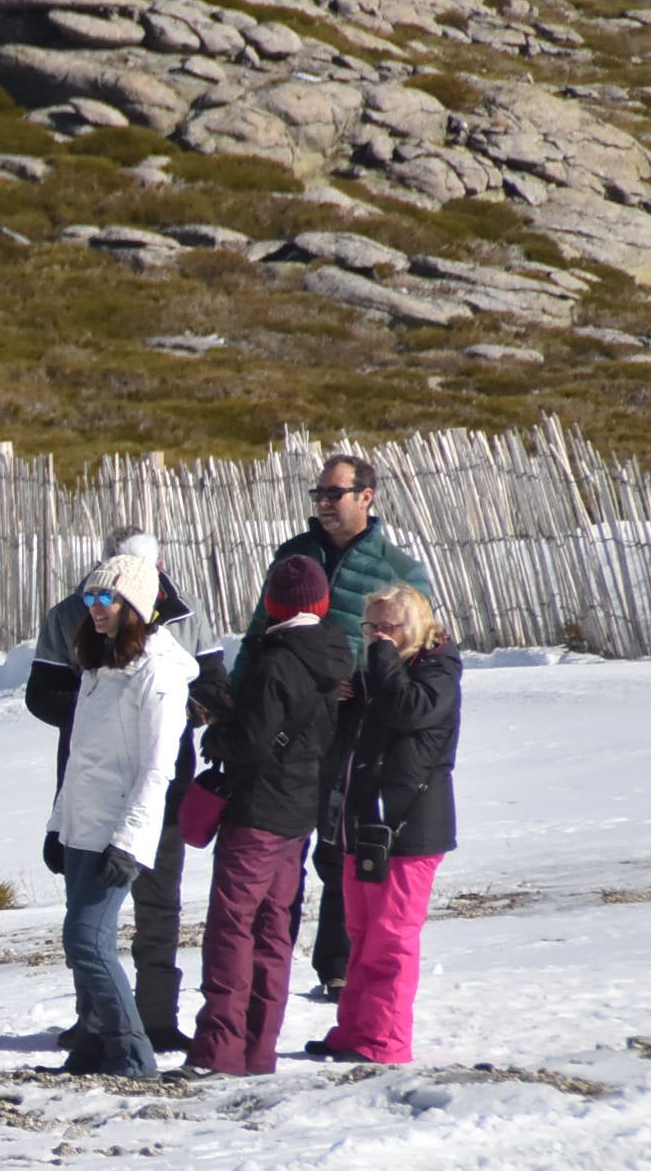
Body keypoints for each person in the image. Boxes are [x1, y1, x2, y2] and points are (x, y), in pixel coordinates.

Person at [252, 455, 435, 1003]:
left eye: (336, 494)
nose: (325, 504)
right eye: (320, 495)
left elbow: (416, 650)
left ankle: (336, 964)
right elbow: (260, 631)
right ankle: (267, 962)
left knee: (340, 844)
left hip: (355, 723)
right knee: (278, 841)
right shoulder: (294, 557)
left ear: (367, 497)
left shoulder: (398, 569)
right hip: (289, 717)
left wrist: (363, 682)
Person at [28, 527, 218, 1050]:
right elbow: (41, 693)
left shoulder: (183, 620)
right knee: (84, 924)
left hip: (158, 797)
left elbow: (214, 687)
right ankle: (94, 1023)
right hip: (87, 789)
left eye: (109, 595)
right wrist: (99, 717)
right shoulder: (73, 620)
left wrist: (174, 715)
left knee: (157, 908)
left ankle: (153, 1020)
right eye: (94, 592)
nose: (97, 604)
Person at [178, 554, 352, 1079]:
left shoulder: (276, 659)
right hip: (301, 811)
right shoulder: (335, 652)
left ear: (274, 604)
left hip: (258, 810)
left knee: (233, 930)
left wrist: (218, 735)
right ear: (320, 603)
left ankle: (219, 1051)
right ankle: (258, 1051)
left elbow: (253, 742)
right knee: (276, 932)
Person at [313, 585, 459, 1065]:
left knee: (392, 939)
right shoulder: (381, 671)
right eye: (369, 627)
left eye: (386, 627)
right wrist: (343, 699)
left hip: (411, 825)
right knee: (361, 934)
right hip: (367, 821)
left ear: (412, 628)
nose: (376, 637)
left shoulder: (438, 670)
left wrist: (380, 659)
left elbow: (408, 710)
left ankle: (386, 1041)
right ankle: (355, 1030)